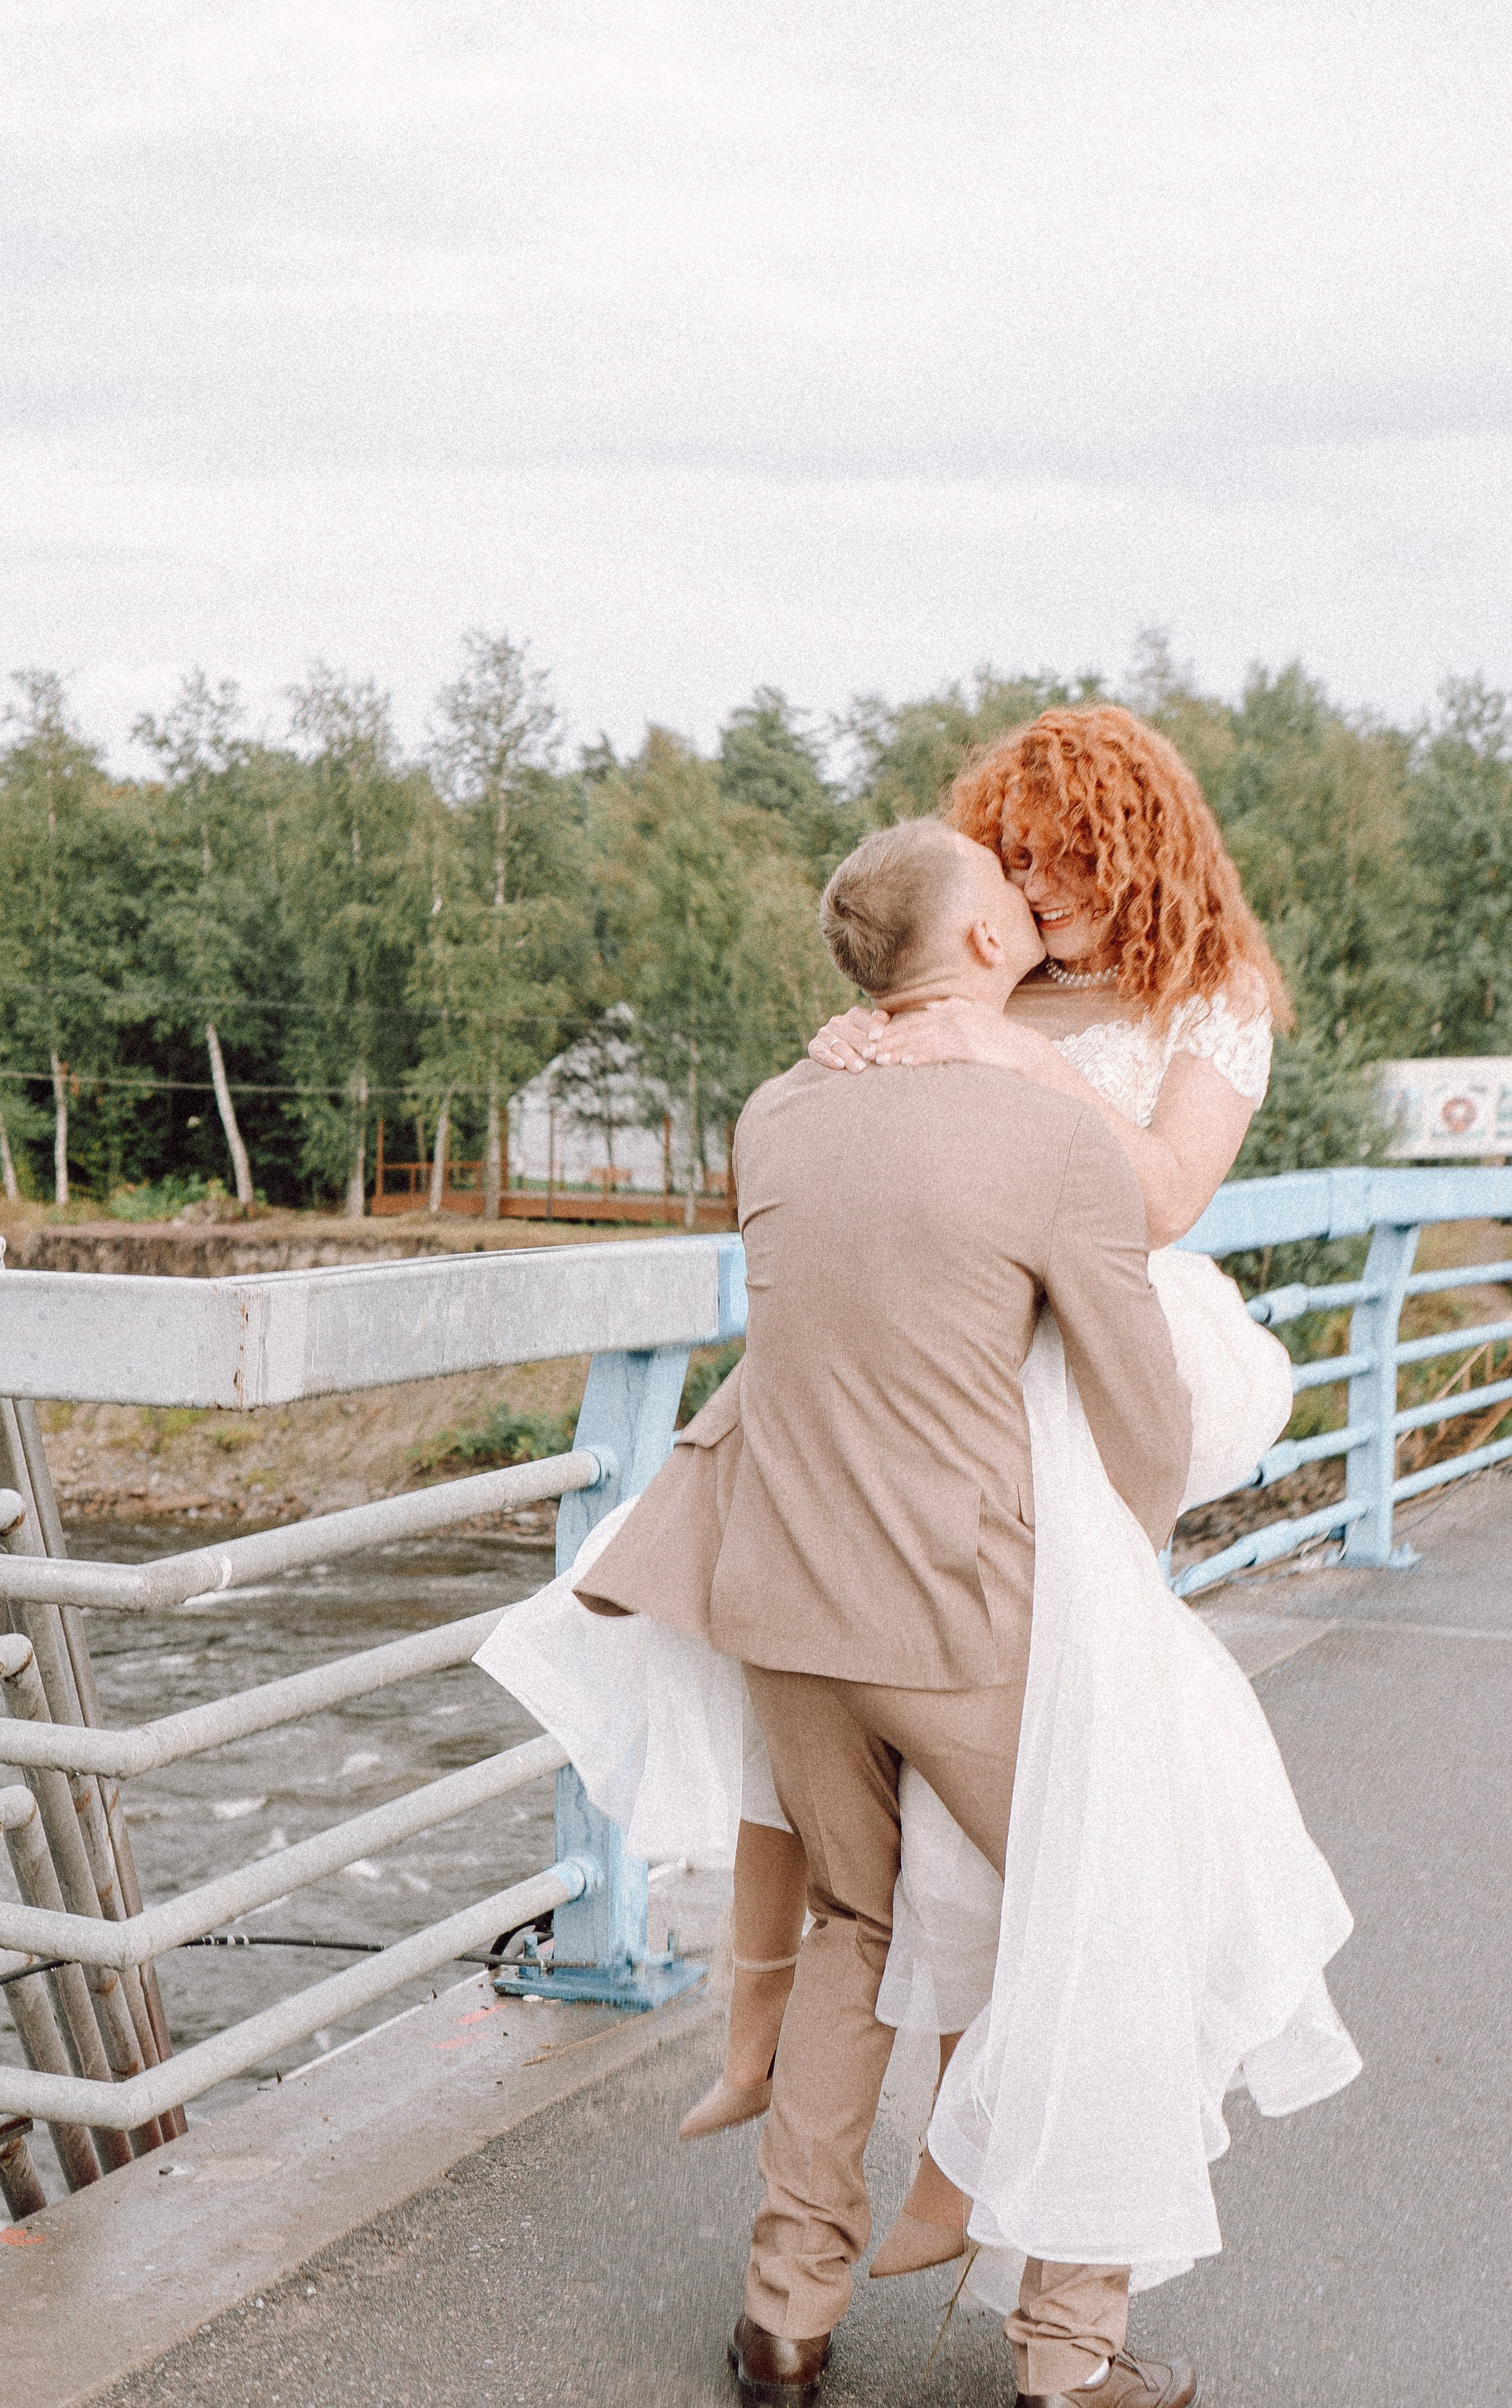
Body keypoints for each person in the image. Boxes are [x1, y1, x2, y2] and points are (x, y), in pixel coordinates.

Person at [562, 814, 1198, 2405]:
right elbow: (1146, 1417)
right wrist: (1125, 1583)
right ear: (983, 946)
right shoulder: (1046, 1144)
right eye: (1002, 893)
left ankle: (785, 2317)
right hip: (964, 1620)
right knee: (1097, 1932)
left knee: (853, 1925)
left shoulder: (776, 1117)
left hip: (782, 1606)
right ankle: (1069, 2358)